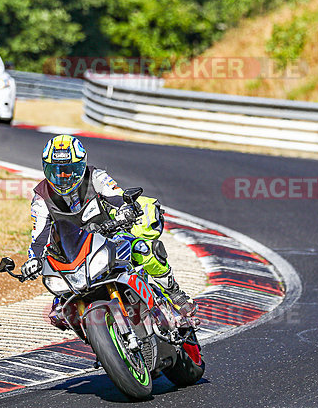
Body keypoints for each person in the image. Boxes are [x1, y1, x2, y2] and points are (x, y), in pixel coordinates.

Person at [20, 134, 197, 321]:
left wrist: (126, 210)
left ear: (81, 166)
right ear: (46, 169)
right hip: (73, 253)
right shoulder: (41, 198)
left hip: (110, 235)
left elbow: (117, 196)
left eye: (69, 170)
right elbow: (38, 237)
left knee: (142, 249)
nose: (63, 177)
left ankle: (174, 293)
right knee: (59, 312)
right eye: (57, 171)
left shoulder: (96, 177)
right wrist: (34, 261)